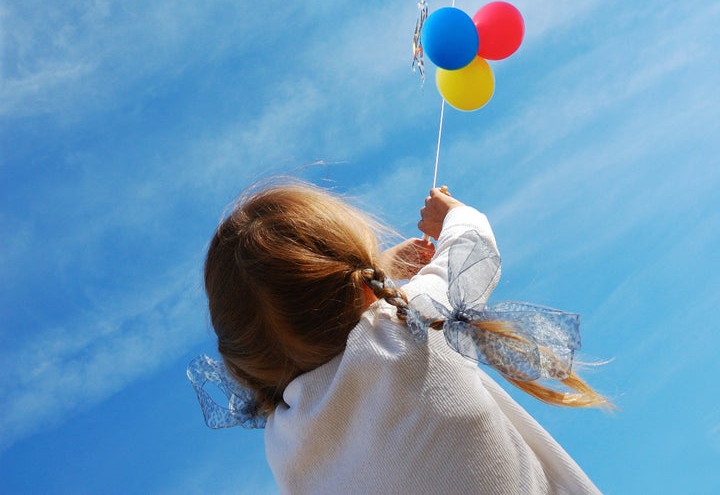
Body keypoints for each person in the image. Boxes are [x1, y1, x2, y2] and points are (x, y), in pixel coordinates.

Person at [192, 180, 609, 494]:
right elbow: (472, 250)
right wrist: (455, 214)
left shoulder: (285, 446)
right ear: (364, 284)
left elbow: (327, 327)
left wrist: (383, 272)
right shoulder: (406, 333)